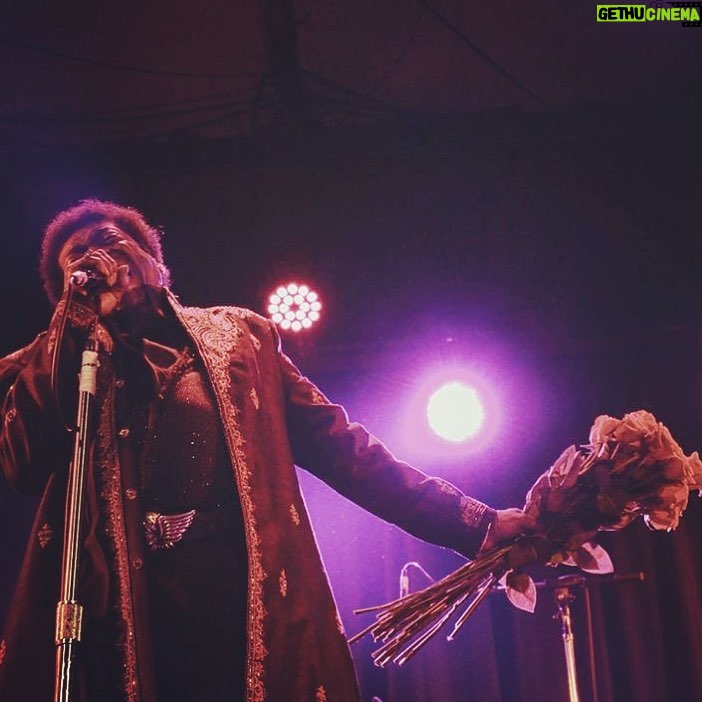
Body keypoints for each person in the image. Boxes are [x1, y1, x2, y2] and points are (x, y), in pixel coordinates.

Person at [0, 200, 532, 702]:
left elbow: (344, 447)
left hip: (237, 601)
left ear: (156, 264)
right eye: (80, 261)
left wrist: (474, 522)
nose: (99, 259)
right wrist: (70, 329)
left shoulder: (242, 337)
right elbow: (21, 462)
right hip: (123, 620)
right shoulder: (61, 366)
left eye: (112, 243)